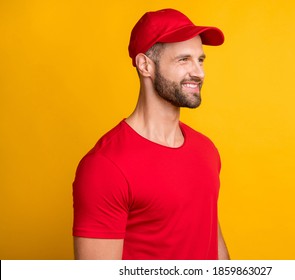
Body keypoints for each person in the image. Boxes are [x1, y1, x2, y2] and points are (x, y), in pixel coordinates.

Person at [72, 8, 229, 260]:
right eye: (183, 59)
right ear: (145, 65)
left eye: (200, 60)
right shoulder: (105, 166)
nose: (199, 72)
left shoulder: (206, 150)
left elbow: (211, 238)